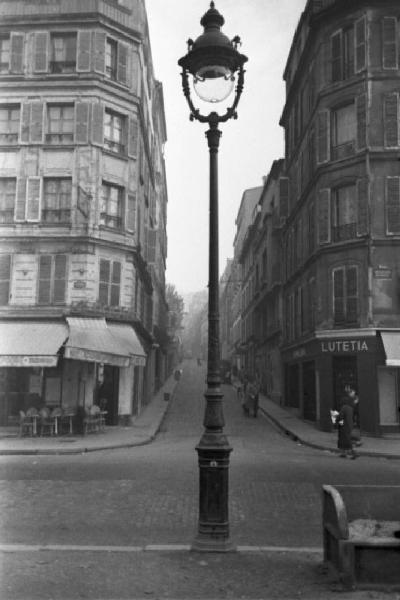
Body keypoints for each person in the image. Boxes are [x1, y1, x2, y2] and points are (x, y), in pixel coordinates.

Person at [336, 394, 358, 459]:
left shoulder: (344, 407)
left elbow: (340, 416)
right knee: (345, 439)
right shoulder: (351, 408)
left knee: (346, 439)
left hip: (344, 426)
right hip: (350, 425)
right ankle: (343, 453)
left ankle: (354, 453)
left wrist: (336, 419)